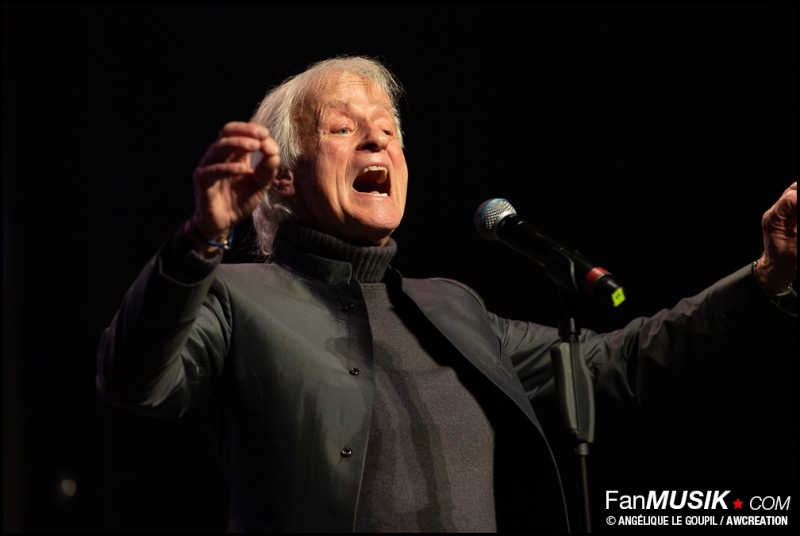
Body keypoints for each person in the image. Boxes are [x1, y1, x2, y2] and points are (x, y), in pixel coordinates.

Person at [96, 56, 797, 532]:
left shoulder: (451, 307)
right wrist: (197, 240)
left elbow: (615, 364)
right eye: (342, 128)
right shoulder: (232, 295)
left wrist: (765, 276)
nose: (376, 137)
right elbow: (136, 380)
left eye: (390, 130)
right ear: (282, 177)